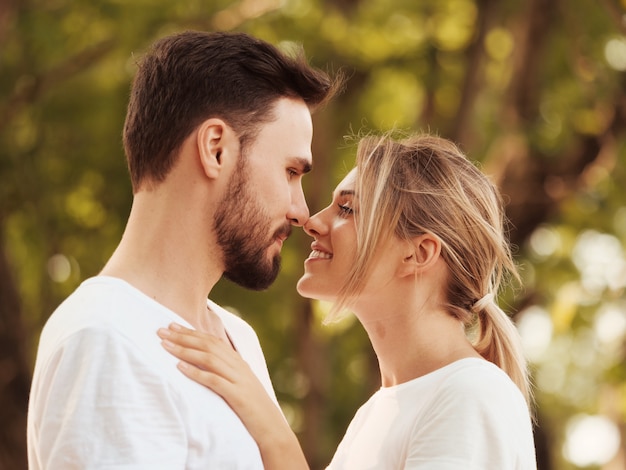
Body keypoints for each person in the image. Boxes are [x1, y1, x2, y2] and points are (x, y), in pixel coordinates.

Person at [27, 30, 340, 469]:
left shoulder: (238, 341)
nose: (301, 210)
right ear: (215, 149)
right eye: (290, 171)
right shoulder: (104, 337)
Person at [157, 133, 538, 469]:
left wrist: (273, 432)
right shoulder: (378, 411)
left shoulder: (471, 395)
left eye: (348, 210)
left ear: (418, 253)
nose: (311, 221)